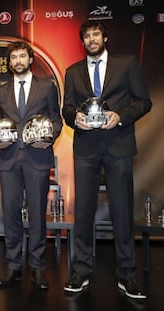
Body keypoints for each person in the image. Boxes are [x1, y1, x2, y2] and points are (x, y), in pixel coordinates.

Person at [62, 20, 152, 299]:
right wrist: (74, 118)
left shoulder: (126, 64)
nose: (91, 39)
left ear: (105, 37)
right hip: (86, 147)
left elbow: (143, 101)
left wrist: (120, 116)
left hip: (118, 145)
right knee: (84, 212)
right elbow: (66, 108)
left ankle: (127, 274)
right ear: (83, 41)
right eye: (87, 36)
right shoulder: (73, 71)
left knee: (123, 212)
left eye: (96, 34)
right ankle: (82, 270)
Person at [0, 41, 62, 290]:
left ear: (30, 59)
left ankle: (38, 268)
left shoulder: (47, 87)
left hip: (38, 158)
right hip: (9, 159)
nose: (18, 61)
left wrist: (49, 137)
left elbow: (56, 120)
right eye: (14, 57)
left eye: (22, 56)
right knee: (10, 215)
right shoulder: (0, 91)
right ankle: (13, 266)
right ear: (9, 62)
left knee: (37, 216)